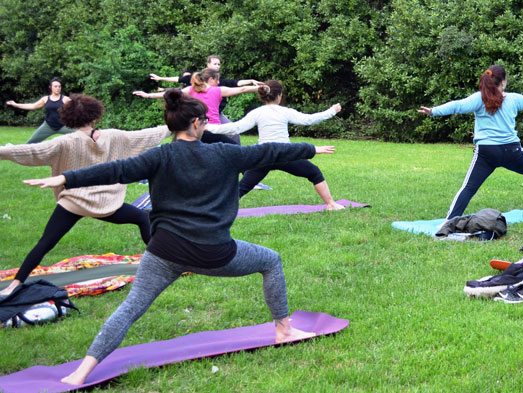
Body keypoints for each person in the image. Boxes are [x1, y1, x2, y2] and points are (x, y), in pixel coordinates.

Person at [23, 89, 333, 385]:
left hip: (164, 253)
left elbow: (114, 171)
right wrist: (310, 149)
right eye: (206, 122)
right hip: (214, 253)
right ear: (197, 123)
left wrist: (65, 178)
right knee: (271, 260)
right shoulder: (225, 155)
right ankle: (284, 330)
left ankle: (81, 372)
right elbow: (270, 151)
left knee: (130, 309)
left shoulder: (159, 156)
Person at [0, 94, 169, 300]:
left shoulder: (62, 142)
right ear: (95, 117)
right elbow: (149, 135)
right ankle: (164, 262)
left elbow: (28, 151)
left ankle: (14, 285)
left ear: (69, 118)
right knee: (143, 219)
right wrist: (176, 124)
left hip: (74, 203)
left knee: (45, 243)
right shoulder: (115, 136)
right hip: (107, 204)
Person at [418, 65, 523, 220]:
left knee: (469, 187)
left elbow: (458, 105)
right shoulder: (513, 99)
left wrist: (434, 111)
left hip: (486, 152)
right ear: (502, 82)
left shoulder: (479, 98)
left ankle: (449, 221)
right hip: (511, 151)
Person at [206, 80, 345, 210]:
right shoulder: (284, 111)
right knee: (314, 173)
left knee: (242, 187)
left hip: (263, 155)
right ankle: (331, 204)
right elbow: (308, 120)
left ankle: (220, 209)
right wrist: (332, 111)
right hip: (285, 154)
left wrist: (208, 127)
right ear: (279, 95)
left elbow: (234, 128)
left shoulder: (257, 112)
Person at [149, 55, 261, 143]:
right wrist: (159, 79)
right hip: (204, 121)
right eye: (215, 63)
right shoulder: (197, 83)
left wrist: (250, 81)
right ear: (208, 65)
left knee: (232, 135)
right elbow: (178, 82)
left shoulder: (218, 83)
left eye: (219, 64)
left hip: (214, 117)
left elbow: (237, 84)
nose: (217, 66)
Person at [134, 68, 259, 126]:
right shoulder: (218, 90)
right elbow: (242, 89)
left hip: (197, 127)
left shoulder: (191, 89)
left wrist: (148, 95)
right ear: (211, 79)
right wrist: (259, 88)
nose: (219, 82)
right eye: (217, 80)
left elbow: (169, 93)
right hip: (214, 127)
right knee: (232, 150)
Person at [5, 77, 76, 143]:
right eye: (55, 86)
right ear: (50, 87)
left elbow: (77, 109)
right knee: (30, 143)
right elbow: (32, 106)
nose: (58, 88)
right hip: (48, 126)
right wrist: (16, 104)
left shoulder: (65, 99)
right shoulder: (45, 99)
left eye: (59, 86)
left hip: (63, 126)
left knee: (84, 135)